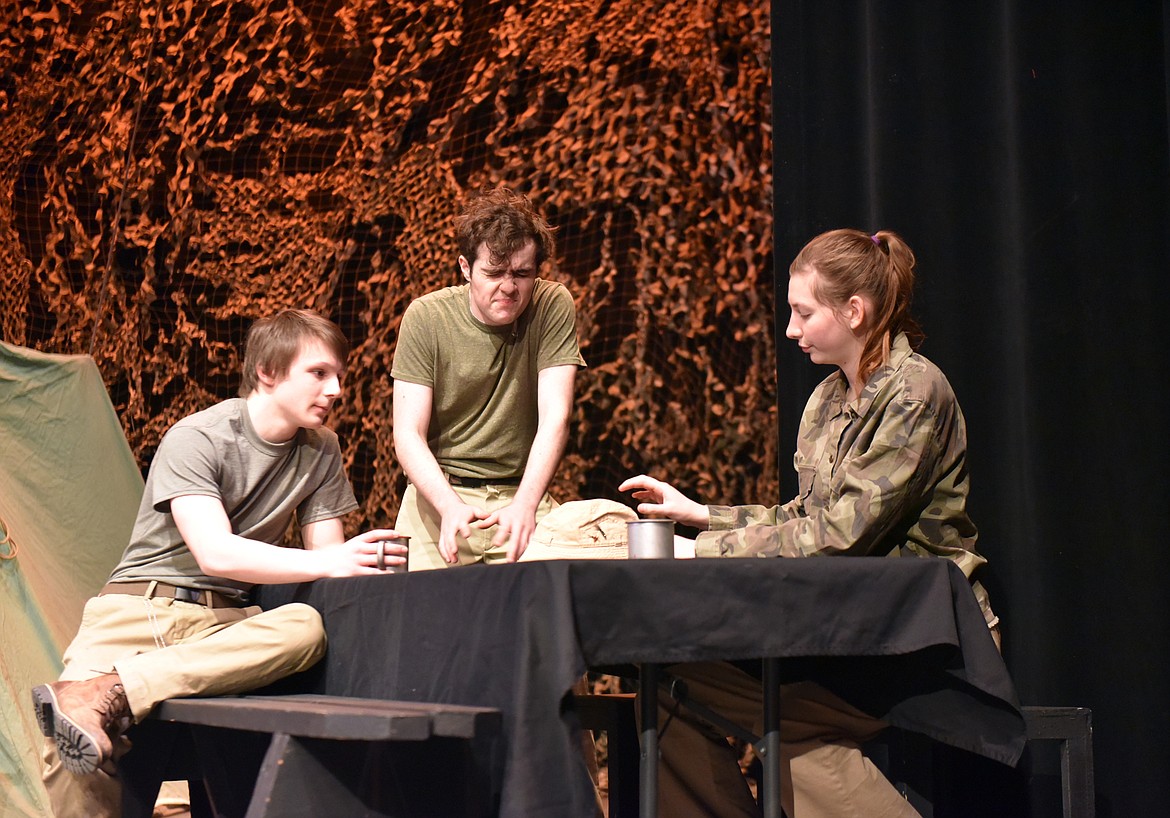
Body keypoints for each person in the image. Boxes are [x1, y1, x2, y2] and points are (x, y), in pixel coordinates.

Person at [620, 228, 999, 818]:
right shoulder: (826, 399)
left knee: (786, 729)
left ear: (854, 310)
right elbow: (803, 516)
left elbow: (839, 535)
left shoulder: (914, 392)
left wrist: (700, 554)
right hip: (846, 629)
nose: (792, 330)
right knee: (666, 685)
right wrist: (700, 517)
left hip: (922, 640)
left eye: (803, 313)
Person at [32, 309, 406, 818]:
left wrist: (361, 562)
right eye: (319, 373)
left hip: (223, 624)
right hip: (141, 609)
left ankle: (111, 689)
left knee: (305, 628)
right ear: (268, 373)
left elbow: (324, 560)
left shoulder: (322, 451)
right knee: (71, 748)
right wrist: (333, 561)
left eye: (339, 374)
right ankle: (104, 692)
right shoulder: (199, 436)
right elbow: (215, 551)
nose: (337, 389)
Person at [392, 187, 586, 570]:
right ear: (466, 268)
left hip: (521, 493)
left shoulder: (552, 304)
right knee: (420, 615)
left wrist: (526, 505)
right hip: (439, 495)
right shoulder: (426, 317)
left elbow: (555, 417)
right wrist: (449, 508)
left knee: (558, 597)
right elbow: (407, 433)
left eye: (522, 273)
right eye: (493, 273)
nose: (509, 287)